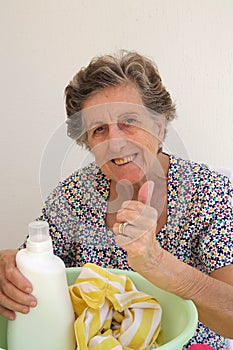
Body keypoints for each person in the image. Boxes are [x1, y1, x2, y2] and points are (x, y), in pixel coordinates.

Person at [0, 51, 232, 349]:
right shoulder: (72, 198)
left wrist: (157, 262)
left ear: (159, 127)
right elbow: (31, 280)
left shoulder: (209, 192)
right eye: (99, 130)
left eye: (129, 121)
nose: (115, 141)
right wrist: (10, 270)